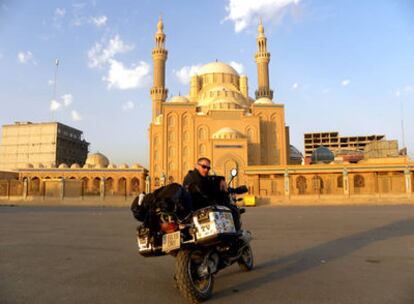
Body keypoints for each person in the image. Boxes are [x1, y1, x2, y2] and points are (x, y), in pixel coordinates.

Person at [182, 157, 241, 231]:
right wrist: (217, 202)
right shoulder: (194, 178)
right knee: (232, 211)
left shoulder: (198, 176)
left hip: (199, 207)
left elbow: (210, 179)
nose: (206, 170)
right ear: (197, 166)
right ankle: (234, 235)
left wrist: (221, 179)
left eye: (208, 168)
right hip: (199, 208)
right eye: (204, 167)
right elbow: (204, 194)